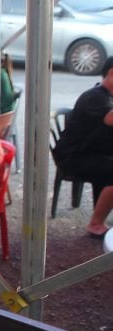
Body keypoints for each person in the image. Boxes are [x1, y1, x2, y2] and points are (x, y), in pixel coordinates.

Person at [53, 56, 113, 237]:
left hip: (92, 151)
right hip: (73, 157)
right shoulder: (95, 97)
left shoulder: (107, 96)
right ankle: (95, 224)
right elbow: (110, 119)